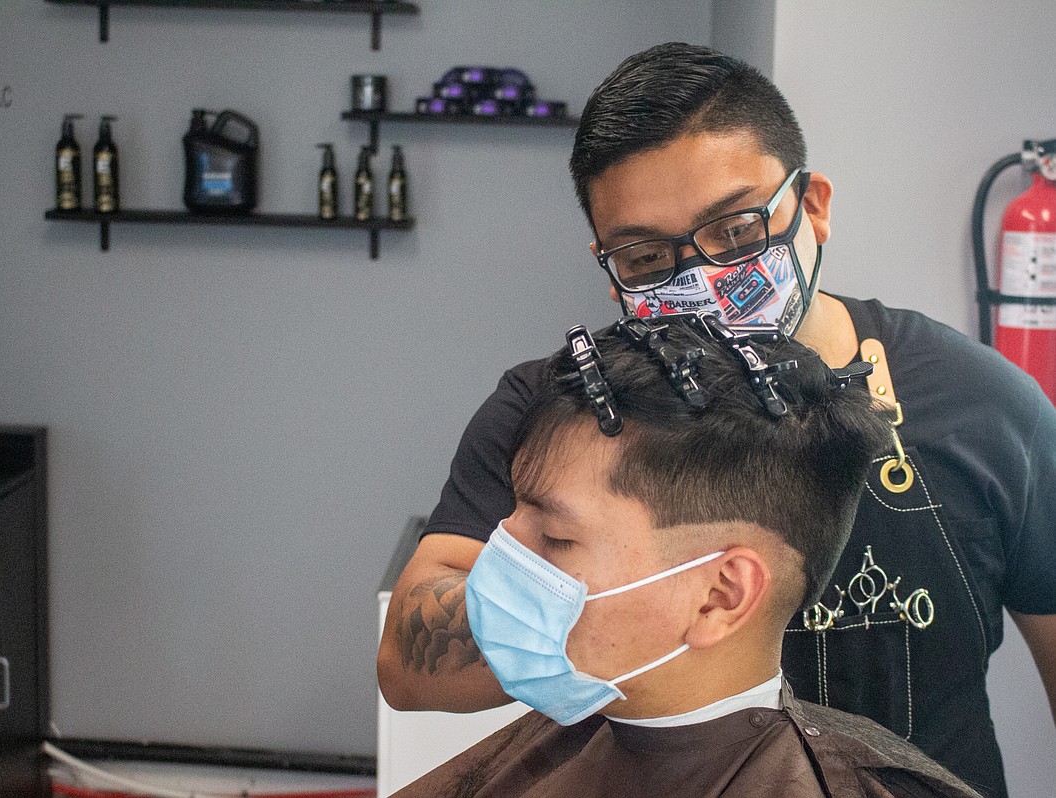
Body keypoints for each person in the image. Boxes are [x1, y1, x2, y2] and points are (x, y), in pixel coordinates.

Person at [377, 42, 1056, 798]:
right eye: (644, 256)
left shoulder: (986, 407)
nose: (699, 278)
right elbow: (409, 662)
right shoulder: (564, 409)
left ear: (815, 206)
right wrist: (580, 617)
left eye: (734, 230)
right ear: (609, 267)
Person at [390, 316, 979, 798]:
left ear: (720, 596)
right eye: (513, 511)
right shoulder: (535, 754)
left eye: (556, 539)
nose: (502, 547)